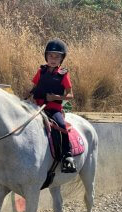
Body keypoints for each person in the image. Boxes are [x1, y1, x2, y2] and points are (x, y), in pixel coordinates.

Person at [28, 38, 77, 173]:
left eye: (57, 56)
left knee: (61, 126)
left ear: (61, 58)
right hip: (37, 107)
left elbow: (70, 95)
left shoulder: (63, 74)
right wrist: (26, 98)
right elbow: (34, 88)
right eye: (50, 55)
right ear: (46, 56)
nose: (53, 59)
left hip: (53, 109)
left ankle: (67, 156)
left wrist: (55, 97)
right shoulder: (41, 71)